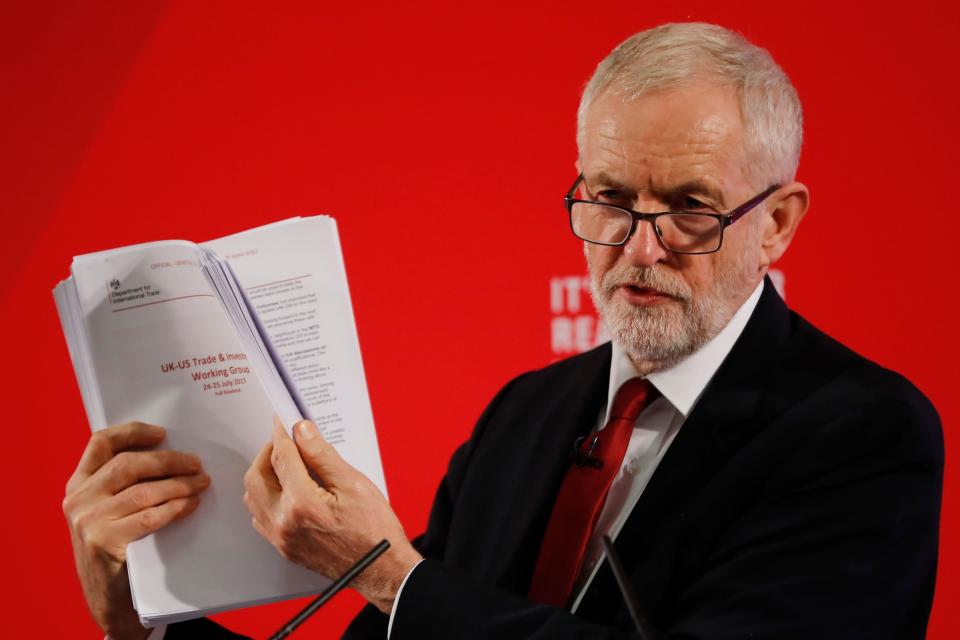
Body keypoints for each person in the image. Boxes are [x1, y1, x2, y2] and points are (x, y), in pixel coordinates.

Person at [63, 22, 943, 640]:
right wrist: (140, 620)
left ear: (779, 223)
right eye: (608, 198)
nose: (640, 247)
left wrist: (386, 571)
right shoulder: (525, 416)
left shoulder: (862, 432)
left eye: (689, 208)